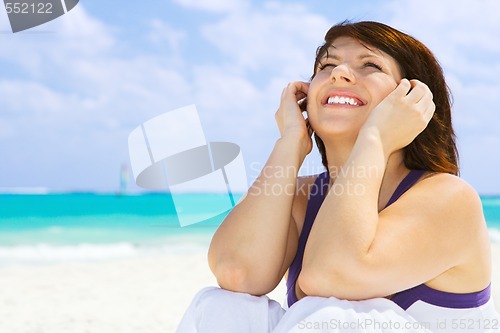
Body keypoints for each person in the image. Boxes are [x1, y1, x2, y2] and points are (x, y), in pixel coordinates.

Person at [176, 21, 500, 332]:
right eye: (326, 66)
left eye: (370, 65)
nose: (340, 74)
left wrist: (375, 139)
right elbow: (238, 272)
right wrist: (290, 142)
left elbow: (330, 275)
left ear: (412, 100)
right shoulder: (302, 196)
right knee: (225, 306)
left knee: (335, 316)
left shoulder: (448, 197)